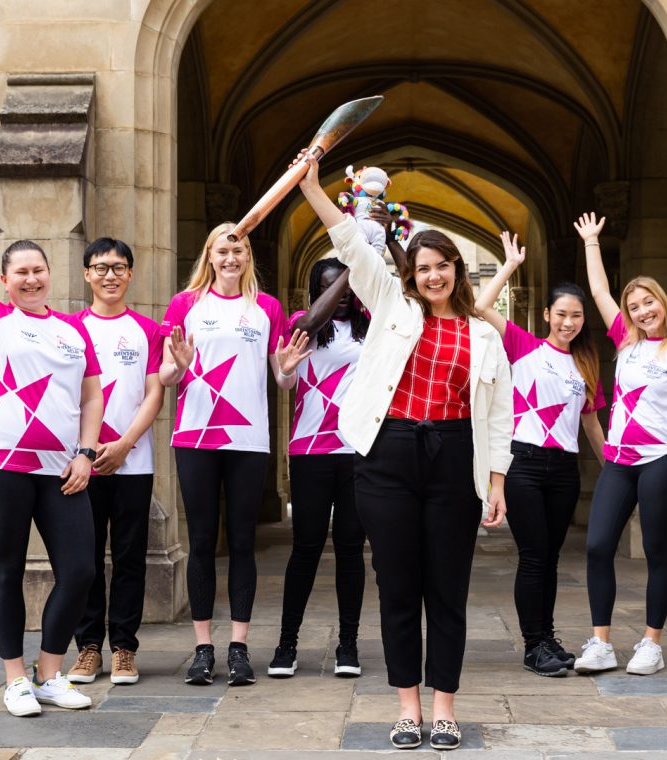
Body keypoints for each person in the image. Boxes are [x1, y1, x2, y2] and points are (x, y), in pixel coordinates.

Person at [297, 149, 512, 751]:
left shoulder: (484, 335)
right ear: (411, 274)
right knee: (396, 584)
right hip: (388, 454)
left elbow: (499, 414)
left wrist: (496, 482)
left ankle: (444, 709)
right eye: (423, 268)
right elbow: (350, 244)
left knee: (447, 587)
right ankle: (407, 708)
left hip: (455, 457)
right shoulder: (392, 304)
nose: (434, 276)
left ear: (457, 271)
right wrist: (311, 186)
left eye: (443, 266)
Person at [0, 152, 102, 716]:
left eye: (39, 270)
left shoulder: (74, 331)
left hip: (61, 469)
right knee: (6, 568)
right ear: (5, 280)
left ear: (49, 275)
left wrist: (86, 452)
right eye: (21, 272)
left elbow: (91, 396)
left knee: (80, 569)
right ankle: (15, 679)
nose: (31, 279)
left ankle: (50, 674)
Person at [160, 221, 310, 687]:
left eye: (238, 250)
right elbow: (165, 375)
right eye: (223, 250)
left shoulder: (266, 308)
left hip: (248, 440)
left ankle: (239, 647)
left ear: (248, 258)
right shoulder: (185, 304)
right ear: (209, 255)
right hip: (196, 438)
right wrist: (178, 366)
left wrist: (289, 369)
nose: (231, 258)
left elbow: (282, 379)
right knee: (203, 542)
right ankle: (203, 648)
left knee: (243, 542)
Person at [573, 212, 667, 676]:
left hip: (662, 460)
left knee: (655, 550)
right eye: (634, 307)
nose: (642, 311)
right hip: (620, 461)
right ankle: (600, 644)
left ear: (662, 303)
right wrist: (592, 242)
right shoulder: (625, 341)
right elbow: (598, 292)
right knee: (597, 546)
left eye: (648, 302)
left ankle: (651, 644)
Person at [473, 232, 605, 677]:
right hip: (524, 465)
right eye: (561, 314)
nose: (568, 322)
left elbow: (590, 424)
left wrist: (614, 469)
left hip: (564, 469)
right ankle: (534, 645)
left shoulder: (585, 364)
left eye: (576, 316)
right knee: (533, 555)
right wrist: (509, 266)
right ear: (547, 314)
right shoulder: (524, 346)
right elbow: (481, 306)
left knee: (550, 558)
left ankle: (547, 638)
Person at [67, 237, 165, 686]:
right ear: (86, 274)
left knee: (129, 558)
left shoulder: (147, 330)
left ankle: (124, 648)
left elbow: (154, 392)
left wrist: (125, 444)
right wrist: (85, 451)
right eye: (101, 267)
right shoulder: (69, 330)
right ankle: (88, 647)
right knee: (84, 558)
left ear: (131, 274)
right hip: (81, 464)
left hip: (133, 461)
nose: (110, 275)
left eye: (119, 267)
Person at [267, 257, 369, 679]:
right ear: (316, 290)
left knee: (350, 549)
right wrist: (351, 268)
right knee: (305, 548)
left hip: (358, 451)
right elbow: (286, 374)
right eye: (330, 286)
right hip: (310, 451)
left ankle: (348, 644)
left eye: (346, 286)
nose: (340, 294)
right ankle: (287, 644)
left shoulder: (369, 326)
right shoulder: (301, 326)